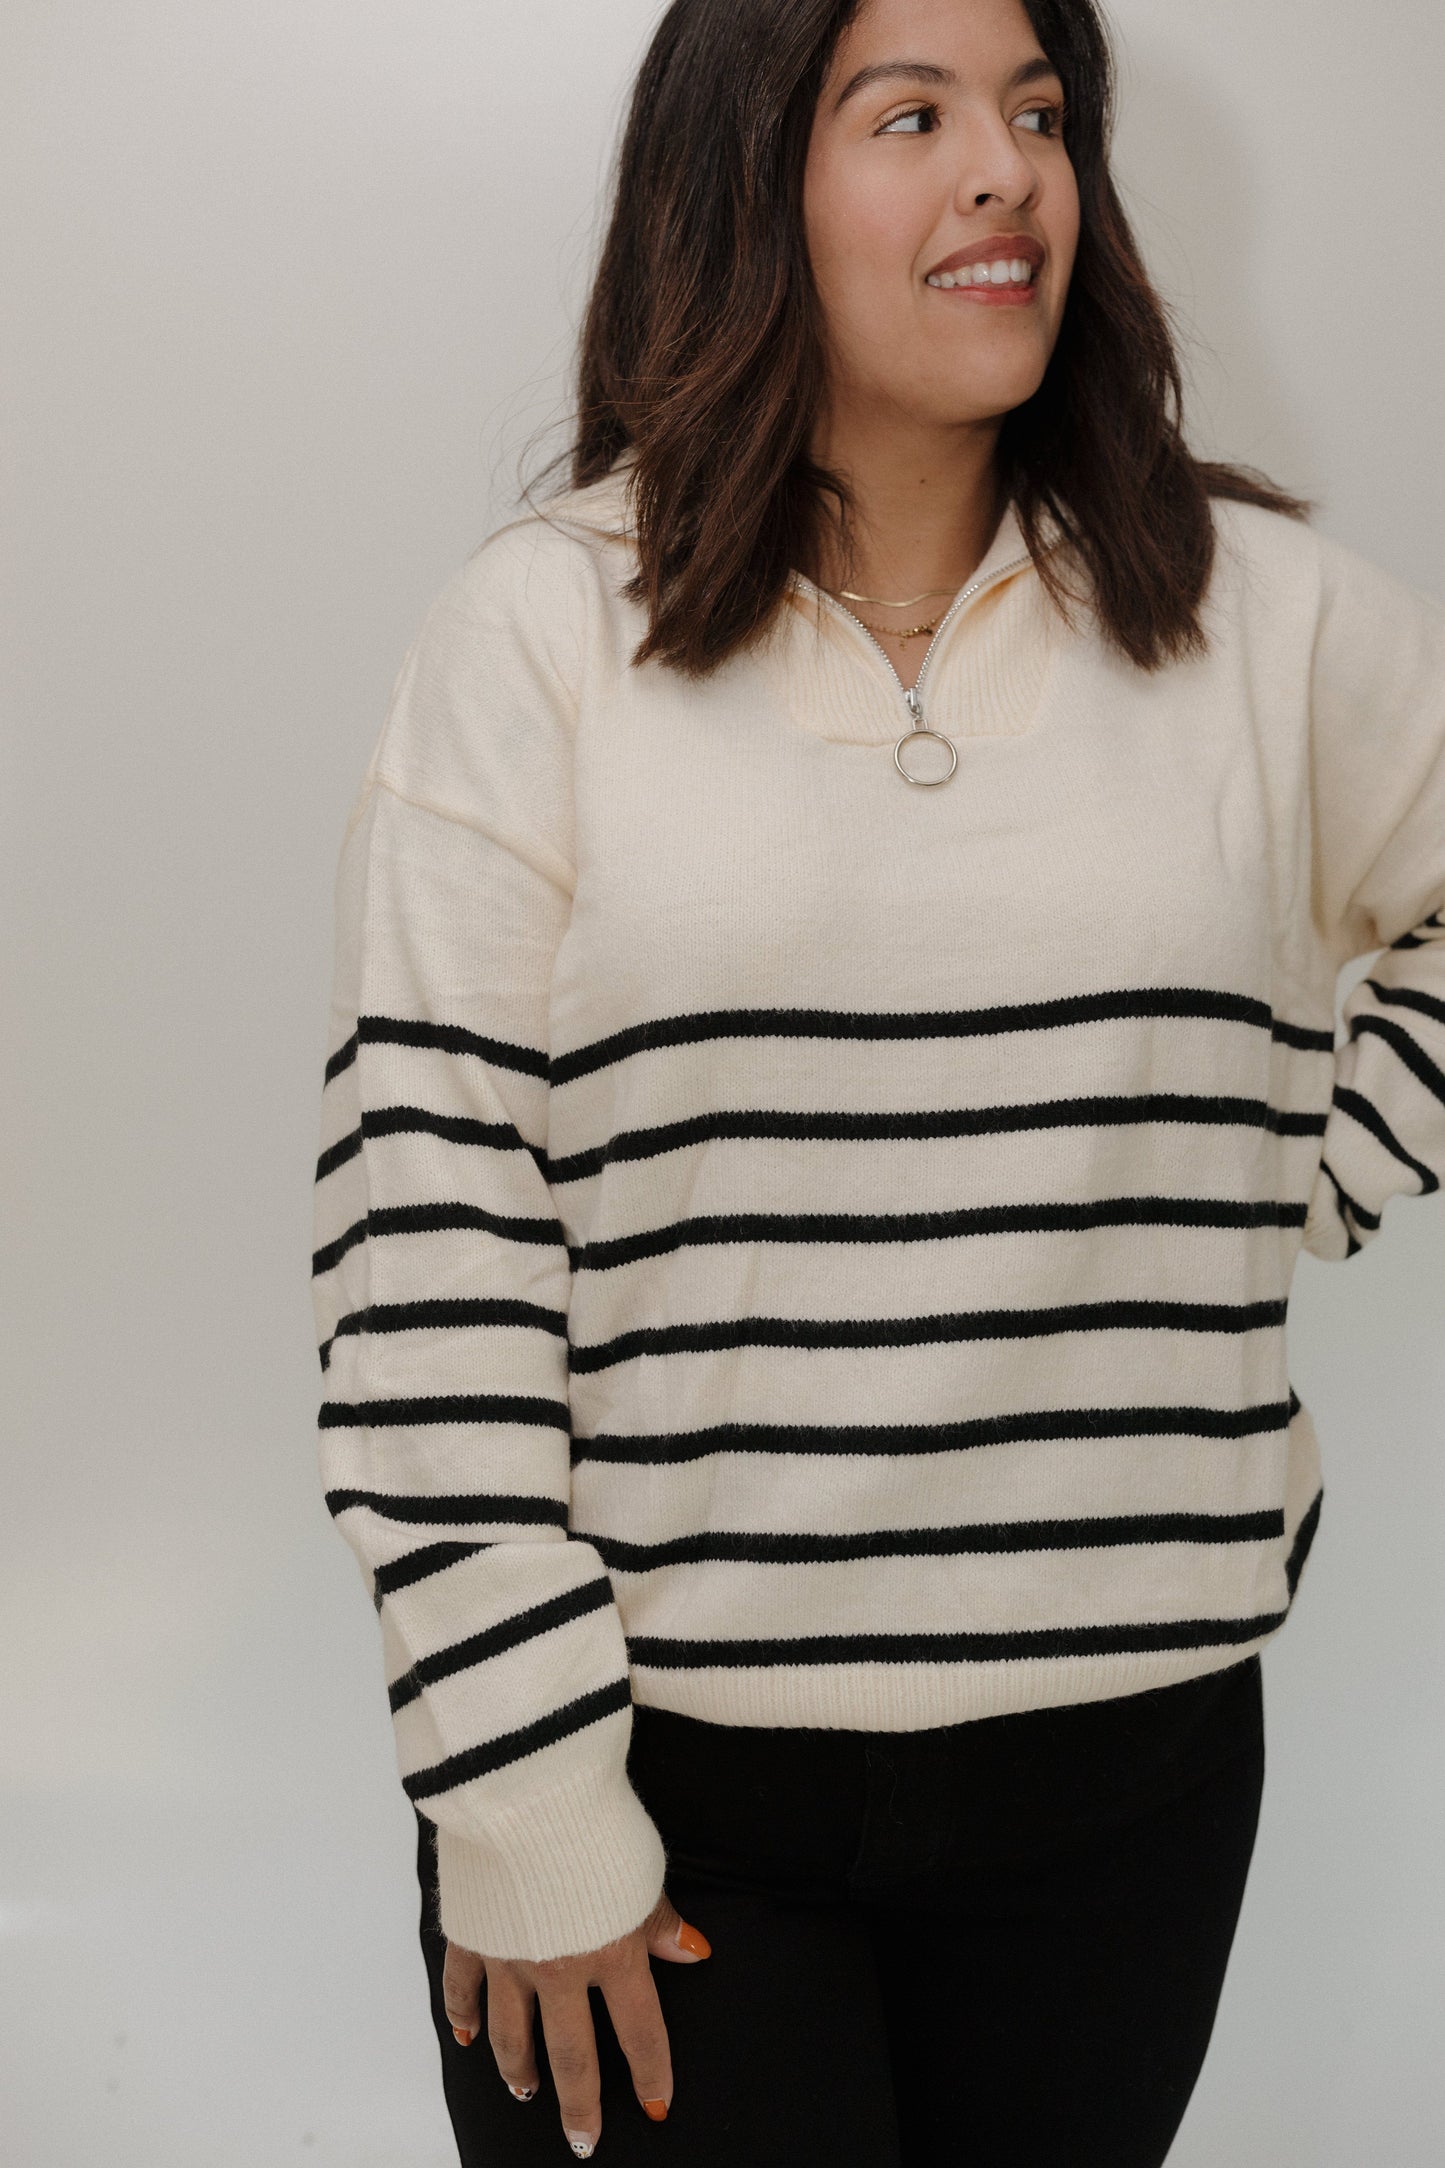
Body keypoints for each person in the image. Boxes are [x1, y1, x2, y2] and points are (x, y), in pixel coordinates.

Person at [309, 0, 1445, 2160]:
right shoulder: (543, 636)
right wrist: (528, 1801)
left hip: (1134, 1763)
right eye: (905, 114)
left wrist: (1296, 1156)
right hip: (665, 1786)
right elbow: (427, 1233)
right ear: (745, 184)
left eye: (1037, 112)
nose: (1004, 169)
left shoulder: (1259, 621)